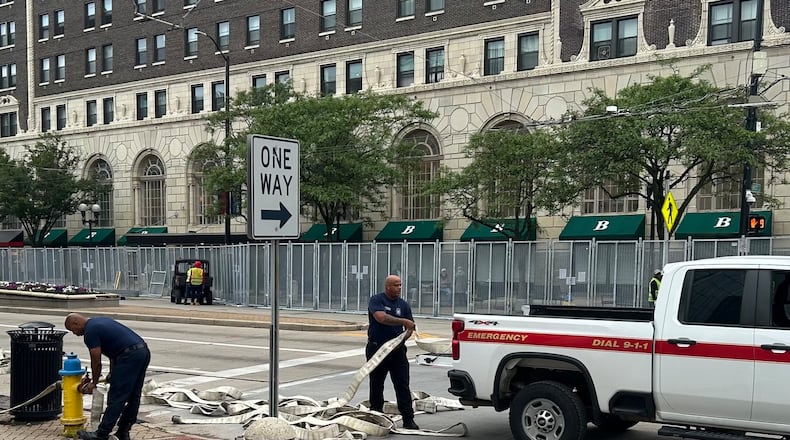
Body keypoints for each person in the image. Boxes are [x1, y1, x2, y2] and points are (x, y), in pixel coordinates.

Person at [65, 313, 150, 440]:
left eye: (73, 330)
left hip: (128, 357)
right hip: (142, 352)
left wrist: (93, 382)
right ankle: (123, 431)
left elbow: (96, 360)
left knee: (117, 397)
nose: (74, 333)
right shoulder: (100, 321)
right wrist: (112, 372)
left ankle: (101, 434)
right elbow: (113, 352)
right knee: (133, 396)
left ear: (76, 323)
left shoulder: (90, 332)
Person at [366, 275, 419, 430]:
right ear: (388, 286)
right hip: (378, 349)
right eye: (396, 285)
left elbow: (410, 328)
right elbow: (381, 318)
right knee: (376, 384)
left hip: (397, 352)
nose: (399, 288)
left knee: (402, 384)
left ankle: (408, 419)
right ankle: (376, 415)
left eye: (400, 285)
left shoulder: (404, 305)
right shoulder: (377, 300)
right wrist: (402, 321)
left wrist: (401, 341)